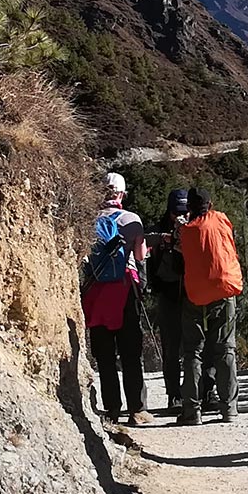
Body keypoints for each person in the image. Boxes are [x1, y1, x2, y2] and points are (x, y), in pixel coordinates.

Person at [84, 172, 153, 426]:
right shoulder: (132, 220)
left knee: (104, 354)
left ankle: (112, 409)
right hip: (124, 290)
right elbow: (140, 256)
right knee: (130, 352)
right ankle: (137, 409)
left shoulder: (88, 220)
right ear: (122, 194)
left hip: (96, 293)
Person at [176, 187, 244, 425]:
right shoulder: (222, 218)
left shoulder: (186, 230)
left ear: (189, 207)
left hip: (196, 293)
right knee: (225, 348)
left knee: (193, 351)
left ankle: (192, 410)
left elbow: (182, 250)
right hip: (226, 287)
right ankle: (229, 408)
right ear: (210, 203)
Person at [145, 188, 191, 411]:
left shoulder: (194, 227)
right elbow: (142, 239)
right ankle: (174, 395)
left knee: (194, 346)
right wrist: (165, 238)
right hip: (168, 292)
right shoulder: (159, 230)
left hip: (192, 293)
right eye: (176, 212)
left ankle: (197, 392)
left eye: (184, 211)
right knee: (171, 348)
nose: (180, 217)